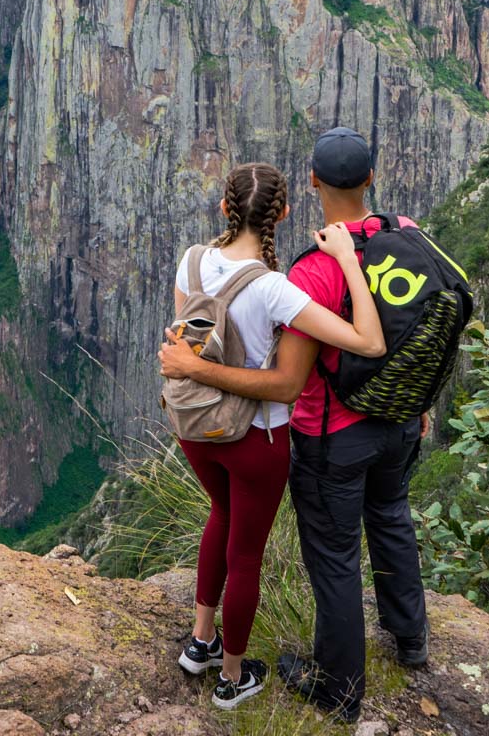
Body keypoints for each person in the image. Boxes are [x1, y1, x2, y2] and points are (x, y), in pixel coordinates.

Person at [157, 161, 386, 711]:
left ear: (224, 209)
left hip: (195, 428)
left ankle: (201, 641)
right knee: (247, 555)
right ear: (283, 214)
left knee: (221, 514)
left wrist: (198, 373)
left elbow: (190, 351)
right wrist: (348, 261)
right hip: (254, 440)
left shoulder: (190, 263)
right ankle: (233, 680)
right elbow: (369, 341)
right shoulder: (276, 290)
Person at [276, 127, 433, 722]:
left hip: (331, 438)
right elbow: (423, 326)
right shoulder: (407, 234)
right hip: (397, 423)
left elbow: (292, 376)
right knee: (391, 516)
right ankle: (410, 637)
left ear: (312, 181)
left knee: (336, 557)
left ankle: (339, 690)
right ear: (371, 178)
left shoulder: (314, 272)